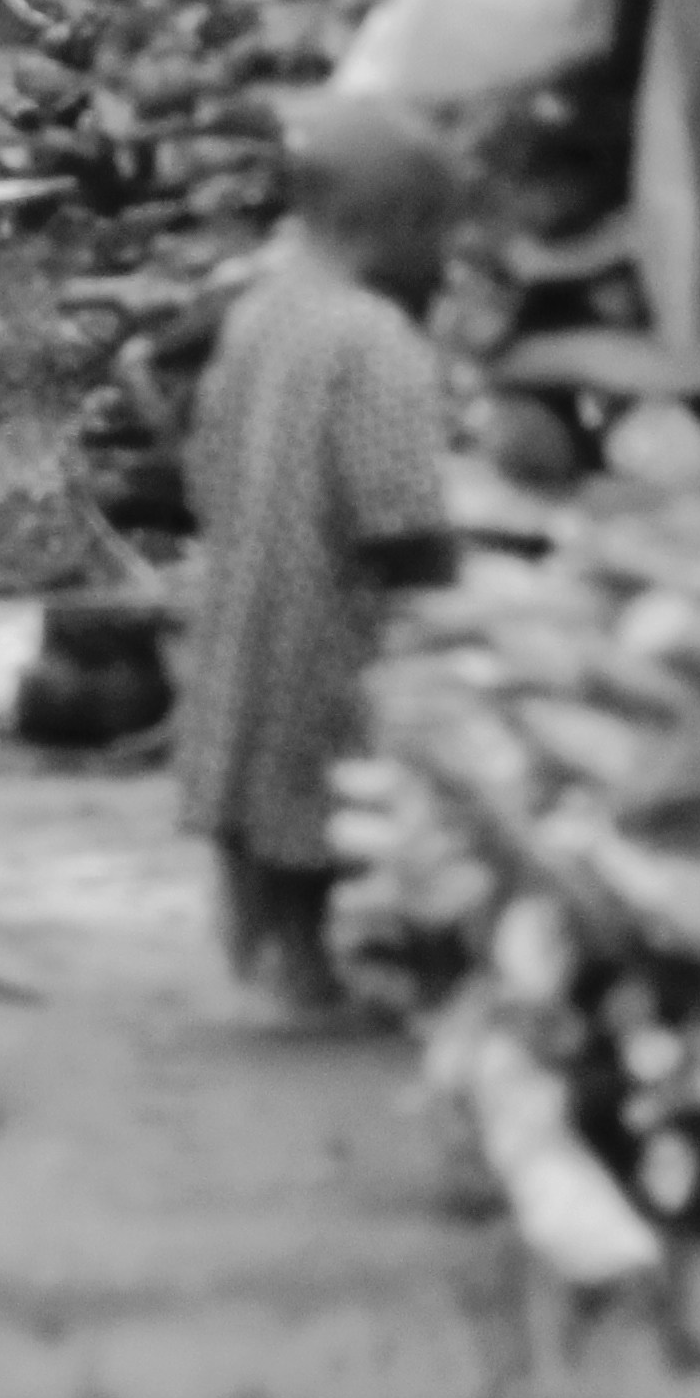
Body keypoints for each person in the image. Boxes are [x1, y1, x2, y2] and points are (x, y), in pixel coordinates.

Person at [177, 93, 471, 1018]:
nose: (446, 257)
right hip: (330, 608)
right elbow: (397, 511)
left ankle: (270, 946)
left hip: (248, 589)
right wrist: (453, 605)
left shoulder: (259, 314)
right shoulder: (373, 337)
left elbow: (205, 462)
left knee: (256, 772)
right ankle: (306, 965)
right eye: (439, 232)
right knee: (317, 781)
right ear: (395, 222)